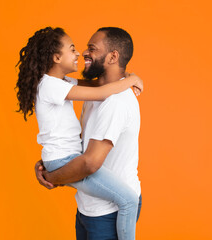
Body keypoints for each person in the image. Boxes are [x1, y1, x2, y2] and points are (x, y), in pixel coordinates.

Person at [16, 27, 142, 240]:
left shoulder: (114, 102)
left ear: (113, 56)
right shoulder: (68, 89)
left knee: (128, 200)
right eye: (73, 49)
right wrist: (131, 79)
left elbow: (89, 163)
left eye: (91, 48)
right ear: (56, 57)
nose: (82, 53)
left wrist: (52, 176)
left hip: (107, 212)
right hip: (87, 207)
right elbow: (96, 90)